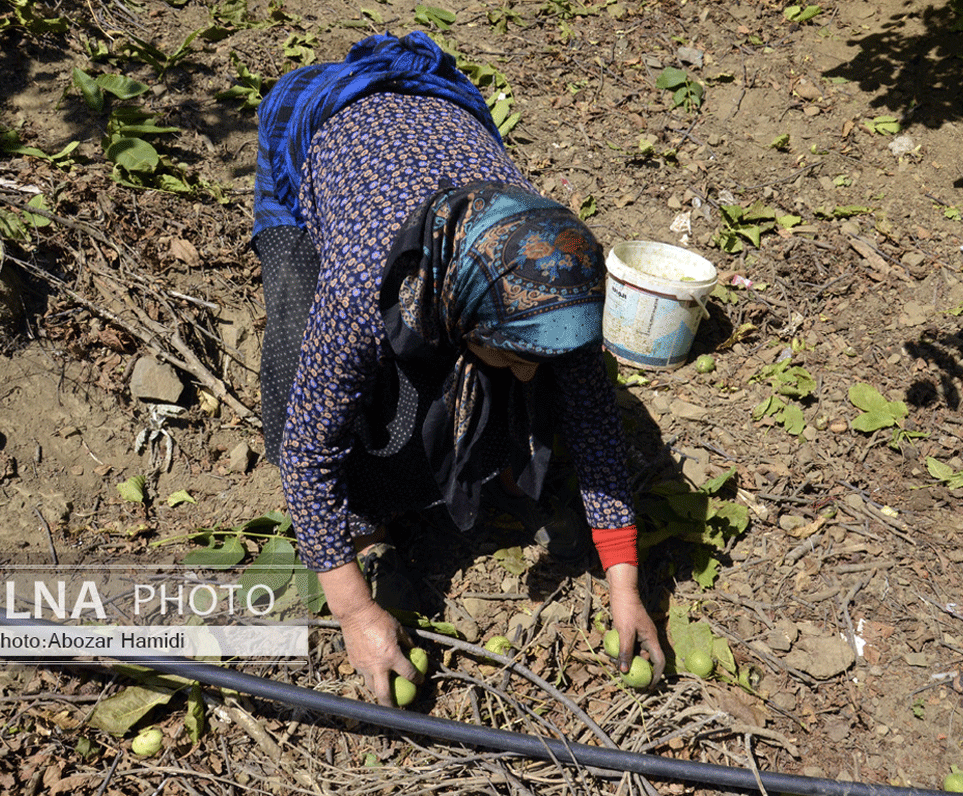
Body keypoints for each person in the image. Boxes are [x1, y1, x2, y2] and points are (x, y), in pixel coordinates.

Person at [253, 31, 665, 706]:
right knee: (301, 353)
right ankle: (366, 525)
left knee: (526, 379)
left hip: (446, 129)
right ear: (457, 311)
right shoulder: (362, 291)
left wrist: (625, 584)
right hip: (324, 140)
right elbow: (308, 450)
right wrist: (353, 611)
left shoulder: (555, 271)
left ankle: (497, 464)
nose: (529, 373)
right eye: (516, 356)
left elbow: (592, 419)